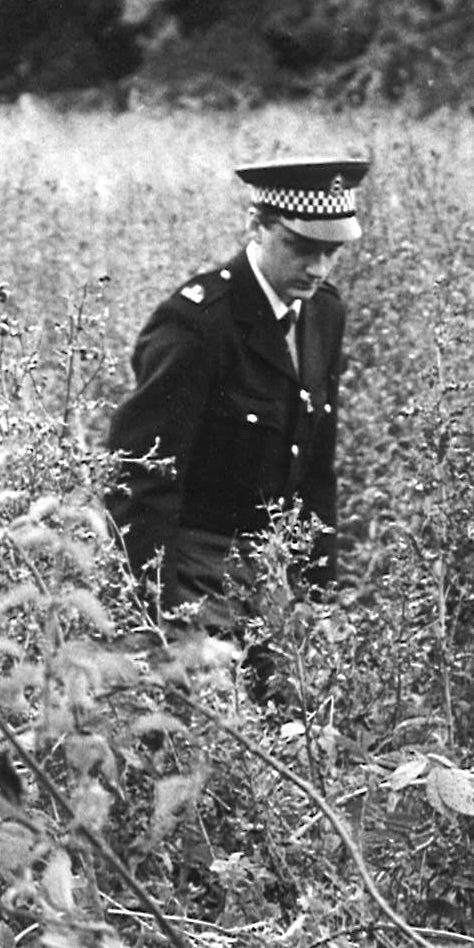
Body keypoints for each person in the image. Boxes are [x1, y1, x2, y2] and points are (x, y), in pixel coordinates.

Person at [106, 157, 368, 635]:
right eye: (300, 247)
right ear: (257, 225)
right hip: (194, 567)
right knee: (217, 704)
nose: (317, 268)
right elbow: (140, 478)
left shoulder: (323, 315)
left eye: (332, 252)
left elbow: (316, 472)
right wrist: (153, 614)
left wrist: (320, 599)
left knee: (304, 704)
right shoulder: (198, 325)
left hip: (275, 572)